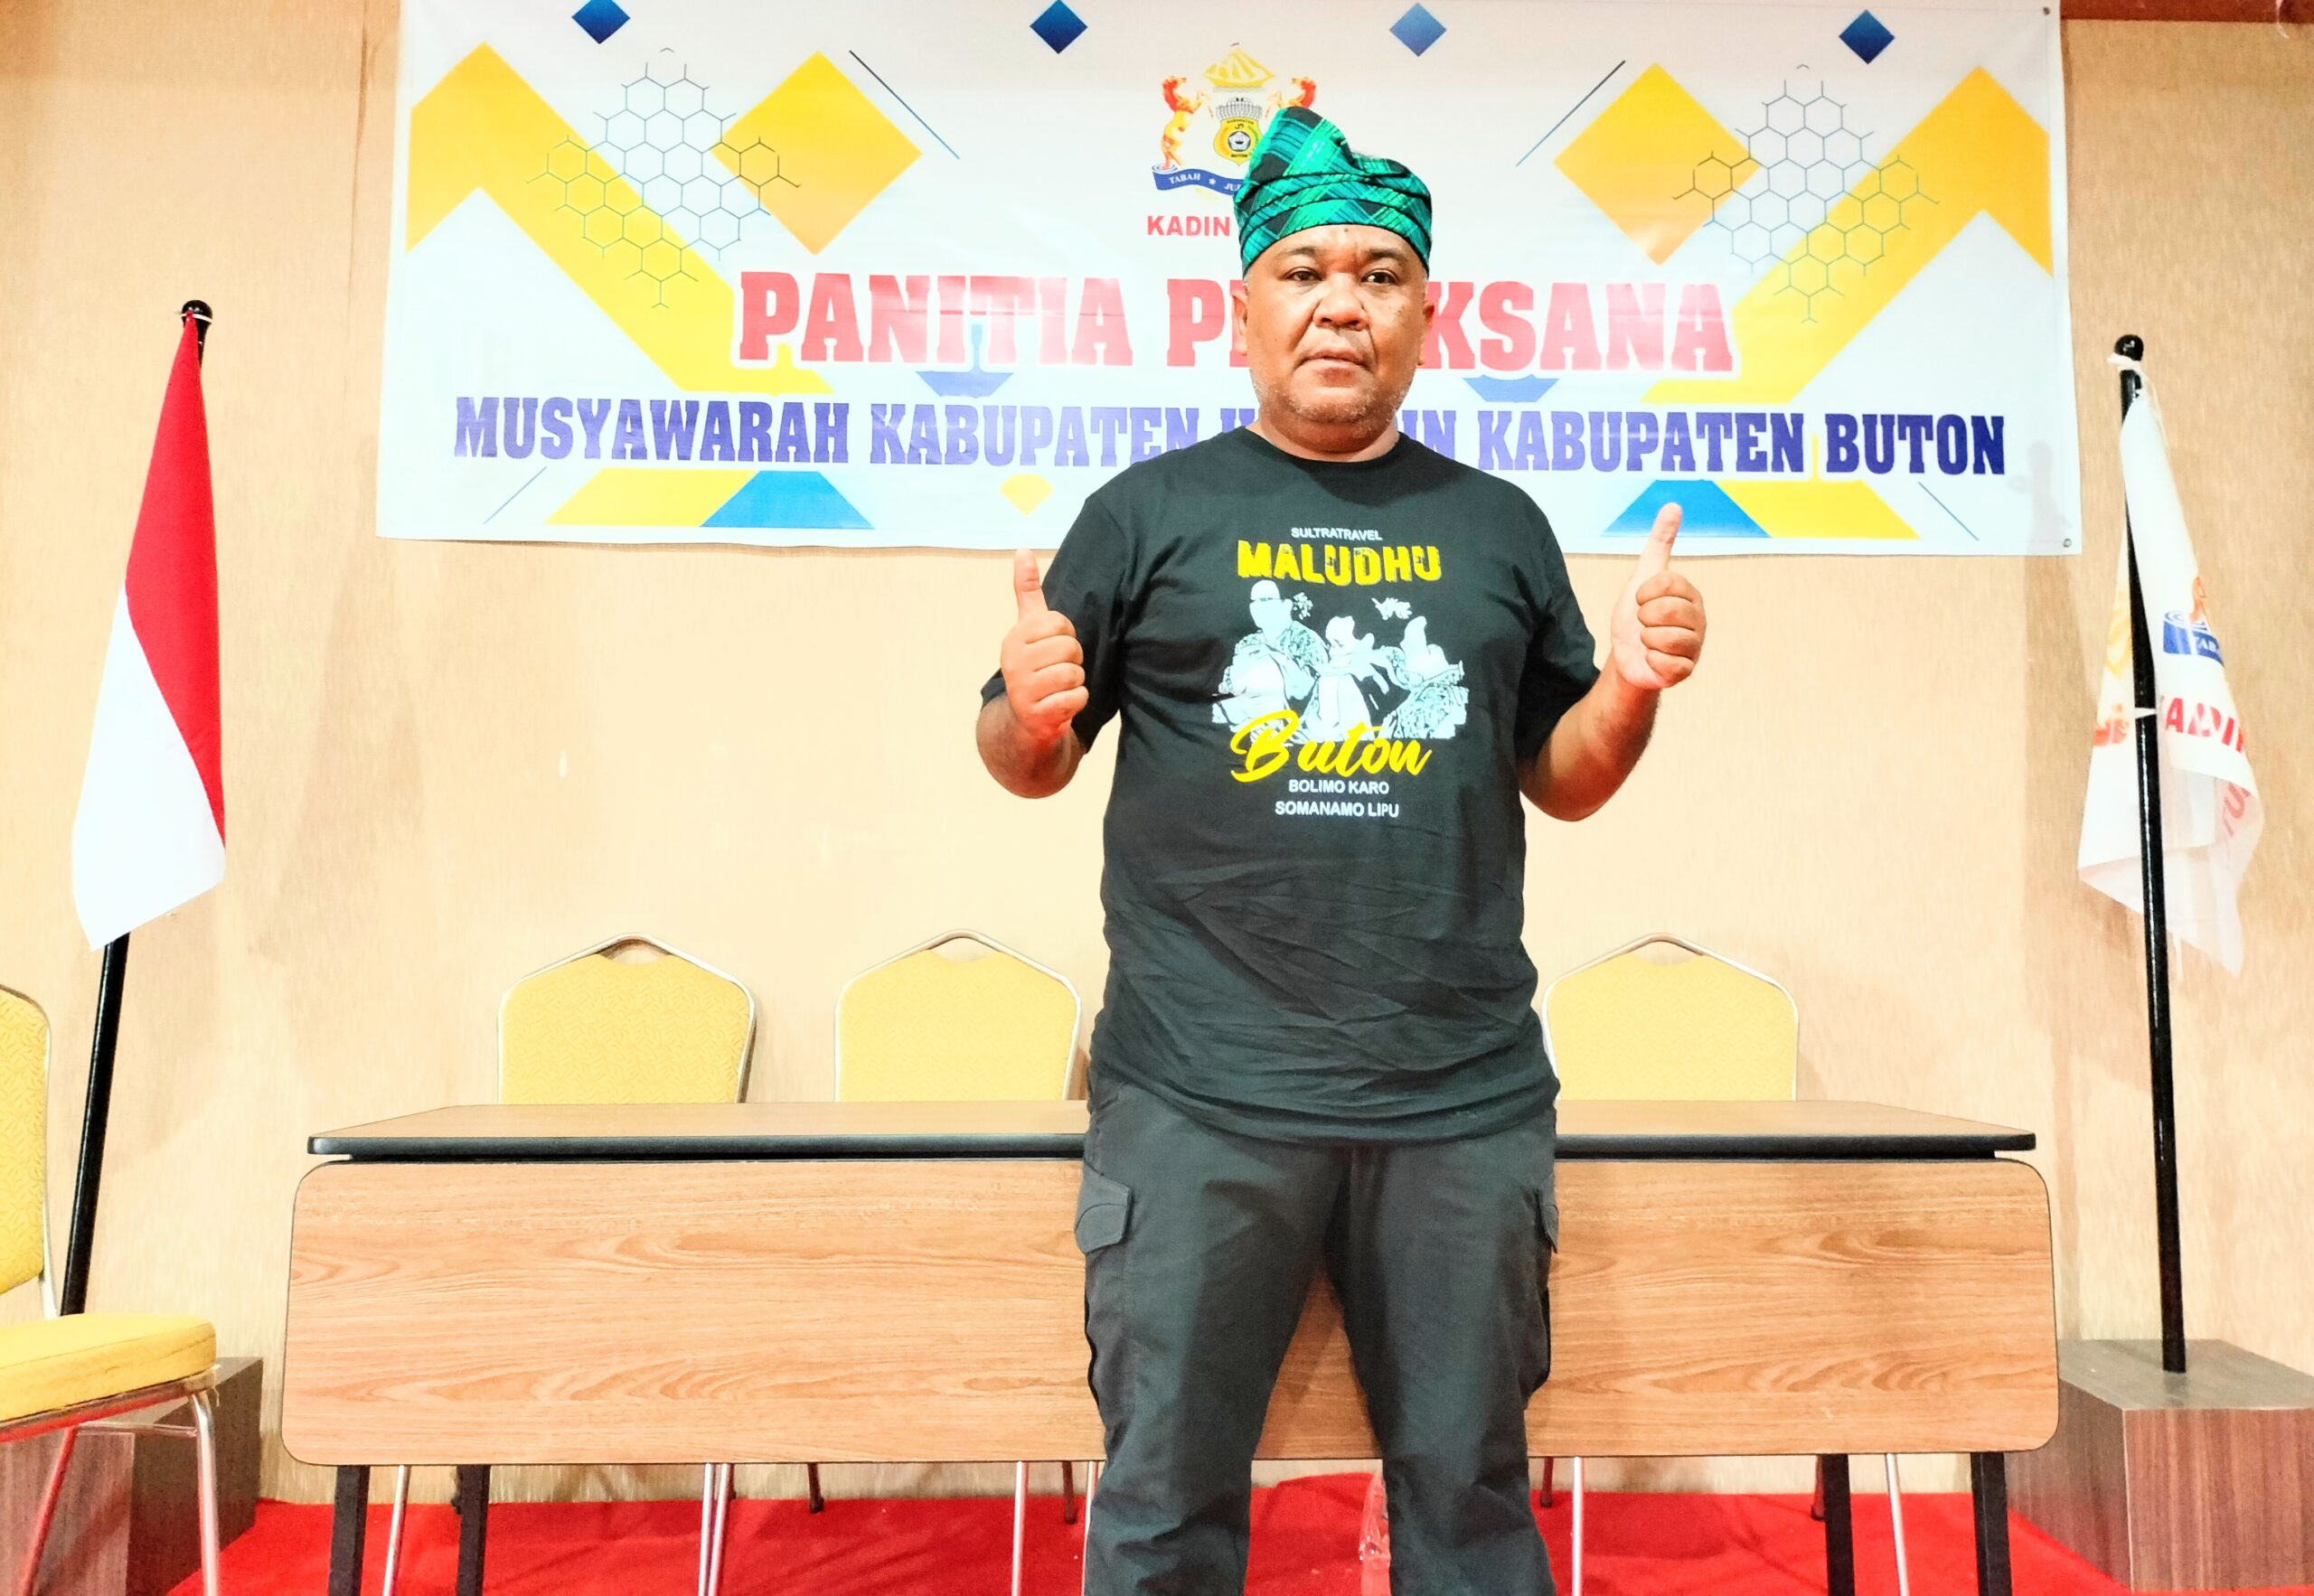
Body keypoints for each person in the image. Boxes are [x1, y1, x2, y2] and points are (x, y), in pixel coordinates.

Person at [974, 105, 1705, 1595]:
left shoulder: (1497, 527)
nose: (1340, 304)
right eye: (1303, 272)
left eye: (1379, 275)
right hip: (1197, 1096)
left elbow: (1563, 778)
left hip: (1457, 1100)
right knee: (1163, 1514)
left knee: (1472, 1512)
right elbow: (1024, 757)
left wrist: (1630, 689)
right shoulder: (1148, 512)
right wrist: (1030, 712)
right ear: (1241, 305)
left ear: (1428, 312)